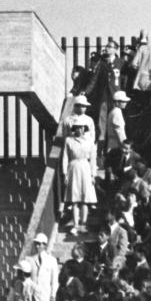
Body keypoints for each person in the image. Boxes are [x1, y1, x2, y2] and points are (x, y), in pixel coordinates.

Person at [61, 95, 98, 235]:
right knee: (74, 197)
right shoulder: (68, 137)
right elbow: (65, 156)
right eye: (76, 128)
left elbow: (93, 157)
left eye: (82, 128)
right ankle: (75, 224)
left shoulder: (89, 123)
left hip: (85, 167)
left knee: (85, 197)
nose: (79, 129)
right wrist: (64, 173)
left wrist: (93, 174)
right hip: (73, 167)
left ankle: (83, 224)